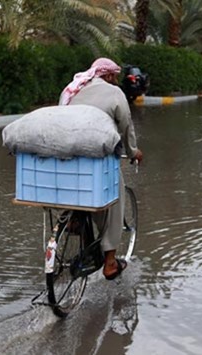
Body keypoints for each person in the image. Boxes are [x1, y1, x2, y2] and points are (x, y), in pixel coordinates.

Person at [59, 57, 143, 280]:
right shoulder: (114, 93)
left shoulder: (73, 88)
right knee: (114, 199)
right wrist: (133, 151)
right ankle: (109, 262)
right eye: (114, 77)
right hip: (97, 157)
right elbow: (125, 125)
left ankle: (74, 218)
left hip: (67, 157)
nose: (115, 80)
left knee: (75, 182)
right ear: (108, 76)